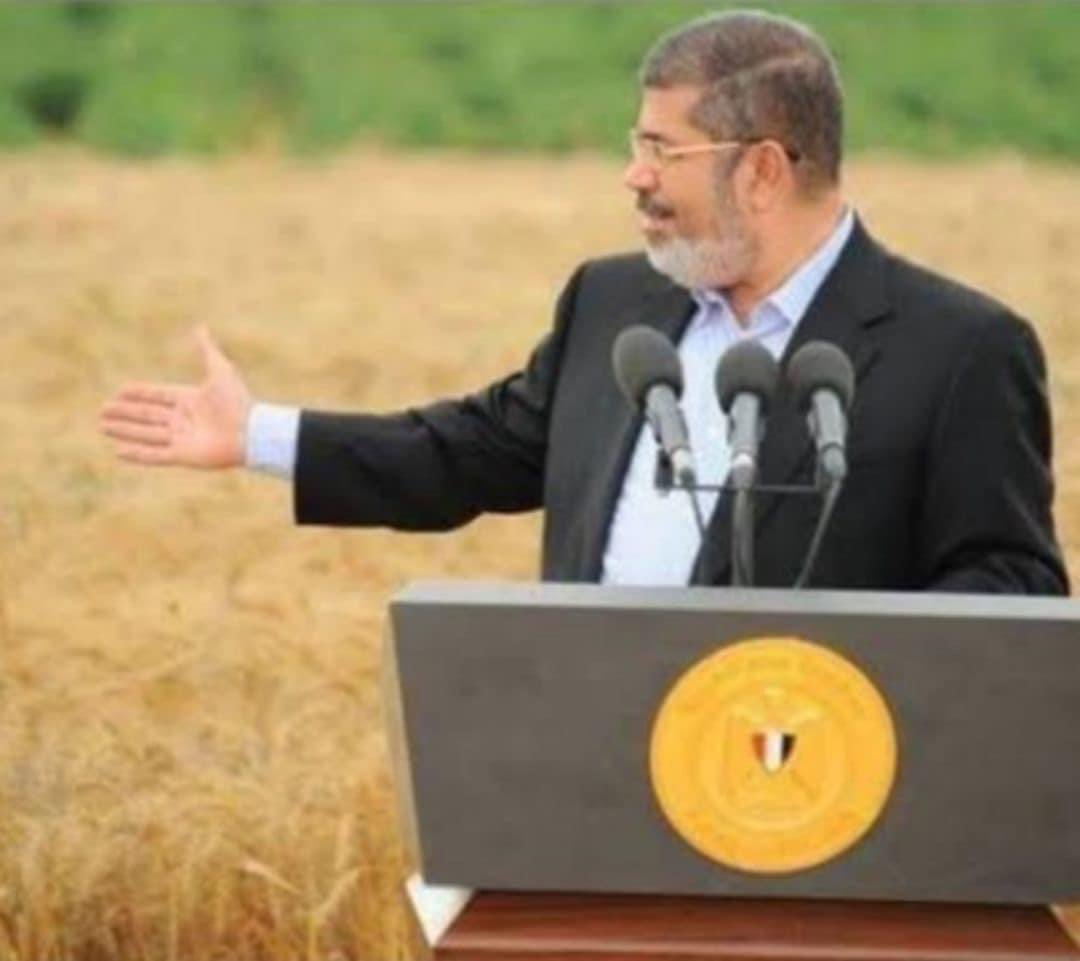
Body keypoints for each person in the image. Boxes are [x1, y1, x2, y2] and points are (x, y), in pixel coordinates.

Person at [100, 10, 1068, 595]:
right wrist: (259, 434)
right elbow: (471, 453)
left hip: (813, 793)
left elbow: (1010, 581)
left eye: (661, 150)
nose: (633, 176)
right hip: (593, 767)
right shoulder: (615, 306)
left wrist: (843, 671)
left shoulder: (961, 349)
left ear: (764, 170)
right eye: (635, 145)